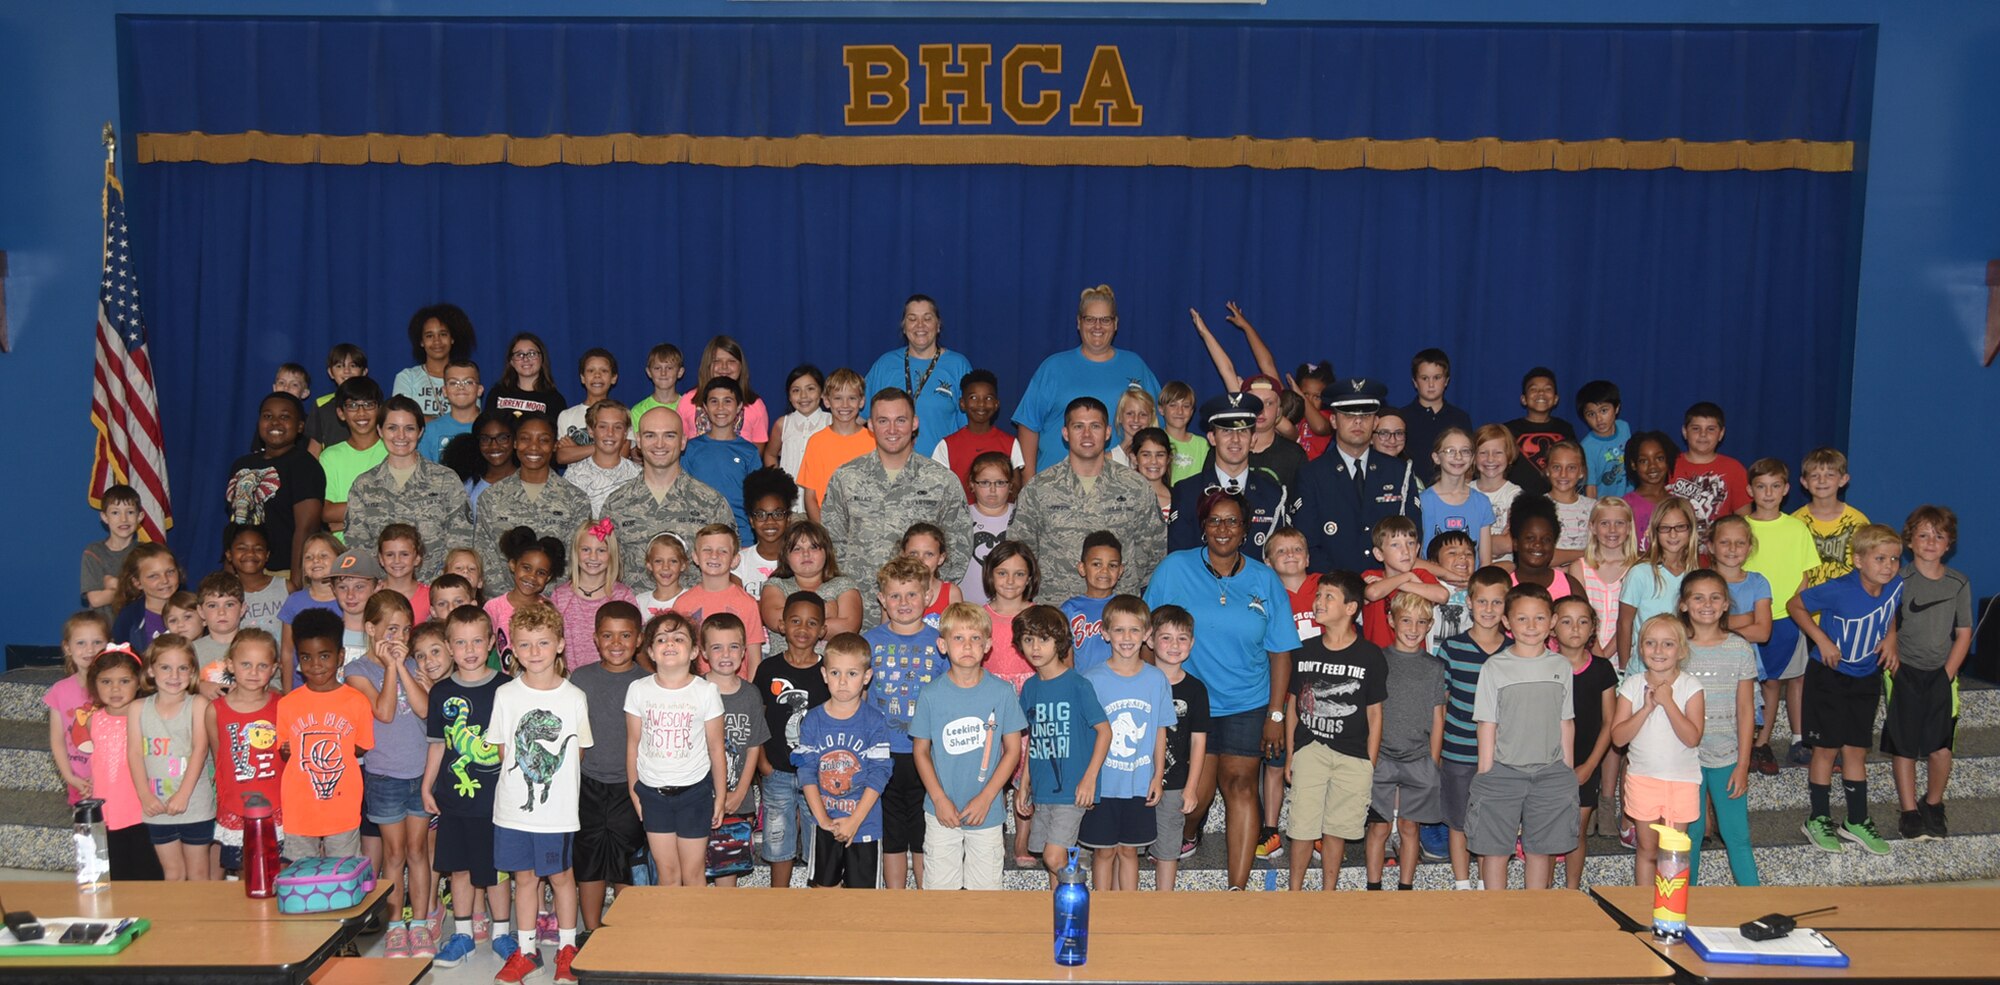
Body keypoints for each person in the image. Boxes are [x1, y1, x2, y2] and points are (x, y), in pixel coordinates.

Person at [1142, 490, 1300, 890]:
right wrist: (1152, 697)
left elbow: (1281, 652)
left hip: (1248, 701)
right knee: (1198, 793)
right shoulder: (1174, 569)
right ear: (1203, 528)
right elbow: (1147, 639)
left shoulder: (1265, 580)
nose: (1223, 529)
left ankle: (1237, 888)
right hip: (1189, 701)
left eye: (1232, 521)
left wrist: (1276, 715)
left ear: (1246, 530)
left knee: (1242, 784)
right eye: (1215, 521)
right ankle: (1189, 832)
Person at [488, 603, 589, 985]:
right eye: (526, 644)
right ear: (512, 647)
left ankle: (566, 948)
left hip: (557, 814)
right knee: (524, 879)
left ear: (560, 644)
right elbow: (502, 751)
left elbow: (577, 753)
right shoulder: (506, 695)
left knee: (562, 877)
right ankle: (527, 951)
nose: (534, 652)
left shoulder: (574, 697)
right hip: (512, 811)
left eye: (543, 643)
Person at [1788, 523, 1903, 856]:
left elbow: (1890, 609)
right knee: (1826, 750)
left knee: (1856, 749)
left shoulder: (1895, 585)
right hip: (1829, 677)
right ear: (1858, 560)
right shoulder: (1838, 589)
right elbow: (1796, 605)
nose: (1888, 566)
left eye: (1895, 559)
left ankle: (1855, 820)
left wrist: (1891, 637)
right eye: (1880, 558)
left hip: (1865, 677)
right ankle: (1818, 819)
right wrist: (1821, 639)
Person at [820, 387, 972, 625]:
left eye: (900, 420)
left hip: (921, 616)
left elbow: (958, 545)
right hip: (856, 612)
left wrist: (930, 596)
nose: (892, 430)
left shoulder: (941, 481)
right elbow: (830, 542)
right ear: (870, 425)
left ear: (914, 423)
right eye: (883, 421)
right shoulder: (846, 477)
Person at [910, 603, 1028, 890]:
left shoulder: (1001, 693)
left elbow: (1013, 750)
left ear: (988, 645)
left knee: (986, 893)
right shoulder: (930, 695)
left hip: (986, 812)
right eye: (958, 638)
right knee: (940, 891)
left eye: (975, 638)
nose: (967, 646)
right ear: (942, 645)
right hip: (942, 811)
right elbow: (921, 751)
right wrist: (938, 798)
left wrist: (987, 797)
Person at [1468, 584, 1577, 892]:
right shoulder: (1495, 667)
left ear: (1553, 621)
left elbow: (1565, 720)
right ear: (1507, 622)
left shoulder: (1560, 666)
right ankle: (1495, 914)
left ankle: (1535, 912)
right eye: (1523, 619)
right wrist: (1487, 771)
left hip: (1550, 772)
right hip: (1503, 771)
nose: (1531, 627)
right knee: (1495, 849)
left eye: (1540, 619)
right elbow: (1487, 723)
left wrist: (1566, 768)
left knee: (1541, 849)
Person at [345, 590, 434, 958]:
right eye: (392, 629)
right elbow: (382, 712)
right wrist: (389, 669)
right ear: (371, 629)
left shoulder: (415, 665)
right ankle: (396, 925)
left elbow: (425, 709)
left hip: (420, 772)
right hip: (384, 776)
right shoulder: (356, 671)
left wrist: (402, 667)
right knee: (394, 854)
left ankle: (423, 922)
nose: (400, 638)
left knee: (418, 852)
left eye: (406, 630)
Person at [1012, 396, 1167, 606]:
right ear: (1065, 433)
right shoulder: (1039, 488)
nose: (1087, 434)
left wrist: (1125, 582)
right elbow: (1021, 551)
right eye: (1078, 426)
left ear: (1108, 432)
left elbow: (1153, 550)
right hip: (1056, 610)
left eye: (1095, 426)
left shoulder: (1136, 487)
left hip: (1117, 615)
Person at [1283, 572, 1384, 891]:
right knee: (1301, 826)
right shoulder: (1304, 650)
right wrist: (1291, 753)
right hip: (1311, 747)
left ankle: (1329, 893)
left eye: (1329, 597)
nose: (1319, 602)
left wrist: (1370, 760)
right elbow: (1292, 706)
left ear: (1351, 607)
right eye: (1318, 596)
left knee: (1336, 828)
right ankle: (1294, 892)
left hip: (1353, 754)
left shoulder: (1370, 655)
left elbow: (1375, 712)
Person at [424, 606, 512, 968]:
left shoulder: (507, 688)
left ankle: (503, 934)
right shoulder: (440, 692)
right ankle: (462, 935)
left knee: (497, 870)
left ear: (491, 642)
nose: (470, 649)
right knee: (458, 868)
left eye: (478, 640)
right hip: (455, 799)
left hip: (498, 801)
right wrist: (427, 787)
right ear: (448, 646)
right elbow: (438, 743)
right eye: (460, 642)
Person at [863, 556, 947, 890]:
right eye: (895, 596)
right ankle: (896, 900)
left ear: (927, 597)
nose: (903, 603)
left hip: (927, 753)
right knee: (893, 833)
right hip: (883, 753)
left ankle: (925, 903)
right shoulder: (870, 642)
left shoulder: (940, 644)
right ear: (882, 599)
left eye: (912, 594)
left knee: (923, 832)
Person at [1889, 505, 1973, 841]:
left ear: (1949, 543)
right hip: (1904, 672)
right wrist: (1894, 666)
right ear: (1909, 541)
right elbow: (1888, 626)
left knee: (1940, 747)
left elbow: (1964, 632)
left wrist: (1947, 674)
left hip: (1941, 674)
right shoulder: (1898, 580)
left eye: (1939, 535)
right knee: (1904, 745)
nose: (1930, 541)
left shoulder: (1958, 582)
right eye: (1923, 534)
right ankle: (1909, 810)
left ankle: (1933, 803)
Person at [1014, 284, 1162, 473]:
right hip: (1055, 485)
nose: (1097, 326)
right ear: (1078, 322)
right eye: (1090, 319)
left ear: (1116, 323)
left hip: (1117, 486)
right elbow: (1028, 425)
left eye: (1105, 320)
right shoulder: (1053, 367)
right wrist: (1028, 482)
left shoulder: (1135, 365)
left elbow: (1158, 422)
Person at [1082, 595, 1175, 891]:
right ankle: (1102, 912)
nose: (1126, 638)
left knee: (1129, 851)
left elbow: (1161, 729)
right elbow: (1086, 734)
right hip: (1103, 784)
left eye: (1134, 630)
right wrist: (1087, 778)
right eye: (1119, 630)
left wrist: (1157, 776)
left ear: (1147, 635)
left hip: (1138, 782)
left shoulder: (1156, 679)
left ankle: (1128, 915)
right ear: (1105, 633)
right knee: (1104, 851)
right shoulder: (1091, 679)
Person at [1013, 604, 1109, 884]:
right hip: (1044, 790)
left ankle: (1081, 900)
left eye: (1044, 639)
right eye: (1028, 639)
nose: (1035, 647)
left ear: (1060, 642)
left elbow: (1105, 731)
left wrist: (1089, 779)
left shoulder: (1078, 685)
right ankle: (1061, 919)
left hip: (1072, 789)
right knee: (1051, 857)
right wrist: (1024, 783)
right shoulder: (1030, 688)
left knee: (1054, 859)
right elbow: (1034, 739)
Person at [1678, 571, 1761, 886]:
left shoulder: (1739, 648)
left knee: (1736, 835)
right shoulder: (1677, 649)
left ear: (1726, 604)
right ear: (1684, 605)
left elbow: (1745, 709)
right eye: (1698, 597)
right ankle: (1685, 908)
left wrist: (1743, 764)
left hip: (1727, 757)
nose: (1707, 604)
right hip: (1686, 761)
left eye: (1715, 597)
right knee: (1691, 835)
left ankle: (1755, 905)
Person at [567, 602, 647, 931]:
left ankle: (623, 931)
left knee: (626, 861)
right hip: (587, 784)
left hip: (632, 786)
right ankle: (592, 930)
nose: (616, 643)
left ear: (639, 639)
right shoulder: (580, 679)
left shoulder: (648, 682)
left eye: (625, 635)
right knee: (589, 861)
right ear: (595, 639)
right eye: (608, 635)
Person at [794, 633, 894, 889]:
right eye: (836, 673)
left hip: (865, 824)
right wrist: (823, 820)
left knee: (862, 900)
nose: (842, 682)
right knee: (824, 892)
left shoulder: (875, 721)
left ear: (867, 677)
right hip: (825, 823)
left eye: (852, 674)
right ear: (824, 674)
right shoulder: (813, 720)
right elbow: (806, 772)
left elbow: (880, 774)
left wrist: (854, 821)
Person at [601, 406, 735, 596]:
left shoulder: (710, 502)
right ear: (638, 441)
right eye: (650, 436)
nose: (659, 444)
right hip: (633, 616)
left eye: (669, 436)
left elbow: (728, 567)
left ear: (683, 442)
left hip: (693, 616)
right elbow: (604, 569)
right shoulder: (616, 504)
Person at [1612, 612, 1704, 888]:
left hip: (1682, 780)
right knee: (1647, 851)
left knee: (1673, 854)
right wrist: (1647, 707)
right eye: (1651, 643)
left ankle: (1671, 913)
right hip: (1643, 779)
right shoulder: (1631, 685)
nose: (1658, 650)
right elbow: (1618, 737)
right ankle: (1642, 910)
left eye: (1667, 644)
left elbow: (1692, 737)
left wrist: (1668, 702)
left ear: (1681, 650)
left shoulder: (1691, 687)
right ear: (1641, 649)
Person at [1295, 378, 1423, 575]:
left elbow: (1413, 535)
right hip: (1335, 591)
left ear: (1375, 422)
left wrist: (1385, 582)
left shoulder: (1398, 471)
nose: (1357, 421)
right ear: (1333, 420)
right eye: (1348, 415)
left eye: (1365, 414)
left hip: (1388, 587)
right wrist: (1344, 588)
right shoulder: (1312, 475)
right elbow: (1307, 544)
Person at [346, 396, 475, 582]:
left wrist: (438, 589)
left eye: (409, 428)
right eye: (392, 428)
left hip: (435, 593)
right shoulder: (364, 485)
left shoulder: (445, 480)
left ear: (420, 432)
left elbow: (460, 543)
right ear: (380, 431)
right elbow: (357, 548)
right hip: (382, 594)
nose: (401, 436)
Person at [276, 609, 372, 860]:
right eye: (306, 657)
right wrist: (287, 751)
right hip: (299, 809)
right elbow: (284, 750)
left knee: (343, 873)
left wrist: (332, 749)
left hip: (343, 807)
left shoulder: (356, 701)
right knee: (300, 875)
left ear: (340, 657)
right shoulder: (288, 704)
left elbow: (362, 746)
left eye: (324, 656)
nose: (315, 665)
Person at [1437, 565, 1511, 889]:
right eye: (1482, 602)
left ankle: (1485, 882)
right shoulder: (1451, 649)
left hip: (1501, 755)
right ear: (1469, 602)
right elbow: (1441, 703)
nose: (1489, 610)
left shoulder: (1514, 651)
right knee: (1458, 820)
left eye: (1497, 603)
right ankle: (1462, 883)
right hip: (1457, 750)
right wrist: (1437, 750)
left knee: (1490, 822)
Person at [1743, 458, 1818, 774]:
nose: (1768, 493)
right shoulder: (1743, 528)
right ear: (1750, 490)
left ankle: (1797, 739)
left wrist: (1795, 610)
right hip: (1749, 618)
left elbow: (1804, 575)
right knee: (1763, 682)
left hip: (1788, 618)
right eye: (1761, 486)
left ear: (1786, 490)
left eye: (1775, 486)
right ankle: (1757, 743)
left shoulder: (1797, 528)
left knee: (1792, 678)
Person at [1365, 594, 1444, 892]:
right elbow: (1370, 710)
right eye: (1406, 620)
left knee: (1411, 827)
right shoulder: (1378, 660)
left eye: (1421, 622)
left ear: (1430, 625)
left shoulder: (1434, 667)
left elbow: (1438, 716)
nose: (1413, 628)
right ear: (1391, 621)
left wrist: (1433, 762)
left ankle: (1405, 888)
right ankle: (1374, 887)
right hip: (1382, 757)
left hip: (1419, 758)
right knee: (1379, 826)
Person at [754, 592, 832, 888]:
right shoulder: (768, 669)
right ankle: (778, 901)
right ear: (782, 625)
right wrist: (763, 762)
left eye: (812, 623)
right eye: (795, 621)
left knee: (817, 838)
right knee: (778, 840)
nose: (803, 628)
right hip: (778, 773)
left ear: (822, 631)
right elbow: (758, 719)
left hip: (818, 775)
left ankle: (816, 904)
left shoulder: (827, 672)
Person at [1188, 304, 1307, 486]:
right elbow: (1226, 369)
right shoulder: (1224, 450)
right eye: (1255, 403)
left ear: (1279, 410)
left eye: (1269, 404)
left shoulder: (1292, 451)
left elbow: (1267, 364)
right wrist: (1204, 332)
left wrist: (1246, 326)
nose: (1261, 410)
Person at [472, 415, 593, 594]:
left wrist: (544, 601)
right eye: (525, 439)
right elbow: (484, 556)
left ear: (554, 445)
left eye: (543, 440)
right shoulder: (491, 497)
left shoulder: (575, 499)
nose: (534, 447)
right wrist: (509, 601)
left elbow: (574, 560)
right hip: (501, 606)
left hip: (553, 606)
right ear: (514, 443)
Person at [128, 634, 215, 880]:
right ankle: (176, 919)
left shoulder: (198, 704)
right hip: (157, 806)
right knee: (173, 873)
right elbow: (134, 754)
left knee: (198, 874)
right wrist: (144, 796)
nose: (174, 676)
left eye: (182, 668)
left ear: (192, 672)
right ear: (151, 670)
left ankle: (199, 919)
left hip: (195, 805)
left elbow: (200, 749)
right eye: (165, 667)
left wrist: (183, 794)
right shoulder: (138, 709)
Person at [1167, 392, 1289, 560]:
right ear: (1212, 438)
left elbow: (1278, 559)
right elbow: (1179, 558)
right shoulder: (1188, 491)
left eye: (1243, 431)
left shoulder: (1274, 495)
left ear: (1253, 439)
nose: (1235, 439)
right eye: (1226, 431)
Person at [698, 613, 769, 886]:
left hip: (737, 801)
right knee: (695, 870)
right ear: (703, 651)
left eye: (734, 646)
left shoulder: (750, 694)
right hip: (699, 798)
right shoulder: (695, 690)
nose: (726, 654)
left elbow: (754, 747)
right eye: (717, 647)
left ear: (744, 651)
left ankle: (724, 927)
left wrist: (740, 792)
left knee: (727, 870)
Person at [1551, 596, 1616, 890]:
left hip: (1586, 764)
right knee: (1548, 831)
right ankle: (1544, 892)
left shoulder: (1602, 670)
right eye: (1566, 621)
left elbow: (1609, 722)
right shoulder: (1544, 665)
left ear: (1593, 629)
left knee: (1575, 830)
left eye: (1583, 621)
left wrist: (1590, 765)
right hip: (1548, 764)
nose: (1575, 628)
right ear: (1553, 627)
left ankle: (1572, 891)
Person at [207, 629, 284, 875]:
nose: (254, 672)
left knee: (279, 873)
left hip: (279, 808)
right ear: (230, 664)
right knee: (246, 875)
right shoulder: (215, 710)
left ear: (274, 668)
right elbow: (220, 757)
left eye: (262, 665)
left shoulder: (283, 706)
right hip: (236, 807)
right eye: (246, 664)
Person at [228, 392, 325, 586]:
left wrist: (294, 585)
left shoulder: (304, 465)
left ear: (299, 426)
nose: (275, 422)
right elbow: (236, 525)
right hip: (246, 570)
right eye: (268, 416)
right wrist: (230, 575)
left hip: (284, 573)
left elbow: (306, 529)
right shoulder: (242, 465)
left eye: (285, 417)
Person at [85, 646, 163, 881]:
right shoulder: (92, 721)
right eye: (106, 681)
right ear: (94, 684)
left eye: (124, 681)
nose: (115, 689)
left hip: (142, 810)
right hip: (107, 811)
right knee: (116, 874)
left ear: (139, 682)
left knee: (147, 871)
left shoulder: (146, 715)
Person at [1146, 605, 1209, 890]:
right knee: (1130, 847)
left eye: (1182, 638)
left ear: (1192, 643)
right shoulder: (1139, 681)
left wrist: (1192, 786)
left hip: (1174, 783)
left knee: (1169, 848)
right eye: (1166, 637)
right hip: (1134, 781)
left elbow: (1199, 740)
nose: (1174, 645)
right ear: (1149, 639)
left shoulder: (1195, 689)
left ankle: (1164, 905)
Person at [865, 293, 975, 443]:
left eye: (927, 318)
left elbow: (970, 428)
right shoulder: (885, 365)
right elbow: (858, 418)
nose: (920, 325)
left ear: (938, 325)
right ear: (904, 327)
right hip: (892, 464)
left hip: (942, 464)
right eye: (912, 319)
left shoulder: (958, 365)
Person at [1618, 497, 1700, 674]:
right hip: (1643, 670)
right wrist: (1623, 671)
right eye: (1665, 528)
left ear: (1691, 529)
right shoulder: (1640, 573)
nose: (1673, 534)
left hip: (1686, 671)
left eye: (1680, 527)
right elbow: (1625, 623)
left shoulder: (1697, 575)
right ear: (1655, 531)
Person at [671, 525, 769, 670]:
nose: (714, 555)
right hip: (696, 688)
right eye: (707, 550)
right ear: (695, 557)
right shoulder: (682, 603)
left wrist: (751, 692)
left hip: (735, 689)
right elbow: (677, 653)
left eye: (723, 551)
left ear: (735, 559)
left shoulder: (747, 603)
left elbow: (754, 659)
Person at [550, 519, 637, 671]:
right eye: (586, 549)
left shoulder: (624, 596)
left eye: (601, 550)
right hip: (569, 681)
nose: (593, 557)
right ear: (576, 552)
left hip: (612, 679)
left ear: (612, 555)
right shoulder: (560, 596)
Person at [757, 520, 865, 640]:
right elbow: (774, 619)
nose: (806, 554)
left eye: (813, 547)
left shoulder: (844, 585)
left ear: (827, 552)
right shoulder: (775, 585)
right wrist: (827, 610)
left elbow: (848, 628)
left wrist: (795, 620)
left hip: (832, 659)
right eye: (797, 549)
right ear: (785, 556)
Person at [681, 377, 763, 533]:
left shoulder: (750, 452)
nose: (720, 408)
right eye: (714, 401)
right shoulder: (690, 449)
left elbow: (756, 500)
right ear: (704, 407)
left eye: (727, 401)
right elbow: (682, 495)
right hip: (698, 532)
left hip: (740, 533)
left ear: (739, 406)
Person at [928, 369, 1023, 500]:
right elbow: (936, 491)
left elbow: (1015, 489)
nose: (981, 404)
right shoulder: (946, 445)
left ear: (996, 404)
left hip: (1000, 519)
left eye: (988, 398)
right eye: (973, 397)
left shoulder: (1010, 443)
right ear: (962, 403)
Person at [795, 368, 875, 522]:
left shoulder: (873, 441)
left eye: (852, 398)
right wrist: (823, 533)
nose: (845, 405)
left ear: (862, 401)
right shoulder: (816, 442)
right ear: (826, 401)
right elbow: (810, 496)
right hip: (827, 529)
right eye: (838, 398)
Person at [48, 611, 111, 807]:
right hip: (79, 782)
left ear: (109, 644)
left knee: (115, 835)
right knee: (85, 835)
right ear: (67, 647)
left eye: (97, 642)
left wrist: (102, 777)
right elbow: (57, 740)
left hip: (113, 780)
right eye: (81, 643)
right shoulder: (60, 691)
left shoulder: (116, 689)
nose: (89, 650)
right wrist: (69, 777)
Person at [1667, 402, 1750, 548]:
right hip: (1674, 554)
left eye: (1710, 429)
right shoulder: (1668, 465)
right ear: (1685, 432)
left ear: (1721, 433)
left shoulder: (1734, 469)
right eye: (1696, 428)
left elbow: (1744, 521)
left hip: (1718, 559)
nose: (1703, 435)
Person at [1361, 516, 1449, 647]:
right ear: (1379, 554)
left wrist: (1404, 582)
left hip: (1414, 660)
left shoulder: (1421, 574)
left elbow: (1442, 596)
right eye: (1395, 545)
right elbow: (1372, 593)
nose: (1406, 551)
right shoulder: (1371, 576)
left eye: (1411, 543)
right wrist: (1407, 577)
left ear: (1418, 548)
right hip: (1378, 659)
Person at [319, 378, 388, 542]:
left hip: (388, 551)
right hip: (343, 551)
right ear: (341, 413)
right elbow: (326, 512)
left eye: (369, 404)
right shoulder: (330, 456)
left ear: (379, 409)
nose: (361, 412)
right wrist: (379, 506)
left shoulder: (393, 450)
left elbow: (403, 506)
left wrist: (345, 521)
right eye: (352, 406)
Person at [1568, 497, 1637, 657]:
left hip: (1627, 656)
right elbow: (1581, 615)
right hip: (1588, 655)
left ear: (1628, 528)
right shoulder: (1580, 568)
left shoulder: (1637, 569)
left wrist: (1605, 656)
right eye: (1604, 523)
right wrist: (1598, 657)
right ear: (1592, 527)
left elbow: (1630, 620)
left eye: (1619, 523)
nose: (1612, 530)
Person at [676, 336, 770, 449]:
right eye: (716, 361)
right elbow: (678, 443)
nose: (724, 367)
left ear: (741, 366)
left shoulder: (755, 404)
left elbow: (756, 452)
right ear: (707, 365)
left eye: (731, 361)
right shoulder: (688, 400)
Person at [1796, 447, 1870, 586]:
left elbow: (1867, 564)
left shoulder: (1858, 522)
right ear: (1804, 482)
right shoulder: (1796, 521)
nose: (1822, 481)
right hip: (1806, 601)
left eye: (1830, 475)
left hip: (1847, 601)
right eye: (1814, 476)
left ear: (1843, 479)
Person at [485, 528, 561, 660]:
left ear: (548, 578)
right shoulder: (493, 607)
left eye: (541, 573)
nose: (532, 577)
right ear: (513, 565)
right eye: (526, 568)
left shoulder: (550, 608)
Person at [393, 304, 475, 418]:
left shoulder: (466, 376)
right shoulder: (407, 378)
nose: (437, 341)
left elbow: (471, 418)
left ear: (452, 338)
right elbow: (401, 419)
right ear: (421, 342)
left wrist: (423, 419)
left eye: (443, 334)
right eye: (429, 336)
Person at [1399, 348, 1474, 472]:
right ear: (1415, 382)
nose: (1431, 384)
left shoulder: (1460, 418)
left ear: (1446, 381)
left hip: (1451, 488)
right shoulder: (1402, 418)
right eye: (1424, 378)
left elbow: (1468, 458)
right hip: (1411, 488)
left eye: (1437, 377)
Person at [562, 400, 640, 516]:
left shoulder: (638, 475)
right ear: (591, 431)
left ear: (625, 433)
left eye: (617, 427)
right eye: (602, 426)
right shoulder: (574, 475)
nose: (610, 433)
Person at [979, 539, 1038, 693]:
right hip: (990, 695)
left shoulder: (1042, 617)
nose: (1010, 581)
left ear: (1029, 579)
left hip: (1031, 695)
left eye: (1019, 574)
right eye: (1002, 573)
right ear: (990, 574)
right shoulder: (978, 617)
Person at [1060, 532, 1122, 675]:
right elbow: (1065, 659)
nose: (1104, 571)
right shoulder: (1069, 609)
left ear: (1120, 571)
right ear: (1082, 568)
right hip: (1082, 686)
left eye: (1112, 565)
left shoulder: (1126, 608)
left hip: (1119, 687)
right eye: (1096, 564)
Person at [736, 468, 797, 609]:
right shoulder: (739, 561)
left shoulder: (799, 559)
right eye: (761, 514)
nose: (770, 521)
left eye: (778, 514)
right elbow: (739, 607)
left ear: (788, 519)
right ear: (751, 520)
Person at [960, 452, 1016, 605]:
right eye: (984, 483)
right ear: (972, 484)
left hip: (1011, 607)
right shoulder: (961, 517)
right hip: (968, 606)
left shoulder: (1022, 516)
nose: (992, 490)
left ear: (1011, 485)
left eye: (1000, 483)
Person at [761, 364, 828, 489]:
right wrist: (778, 482)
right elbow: (770, 454)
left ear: (822, 392)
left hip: (822, 500)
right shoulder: (783, 424)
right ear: (789, 396)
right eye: (796, 390)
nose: (803, 396)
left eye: (810, 389)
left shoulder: (831, 422)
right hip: (790, 502)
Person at [81, 483, 141, 620]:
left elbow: (149, 591)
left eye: (130, 512)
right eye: (115, 512)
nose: (123, 519)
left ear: (140, 516)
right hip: (103, 630)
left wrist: (114, 586)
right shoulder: (93, 552)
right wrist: (129, 587)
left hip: (136, 627)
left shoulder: (145, 553)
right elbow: (95, 600)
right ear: (104, 517)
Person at [1503, 367, 1577, 475]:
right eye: (1533, 389)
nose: (1541, 393)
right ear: (1523, 399)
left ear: (1556, 399)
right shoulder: (1508, 430)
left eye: (1548, 389)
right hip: (1517, 492)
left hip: (1556, 491)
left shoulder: (1565, 428)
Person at [554, 349, 620, 467]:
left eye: (604, 371)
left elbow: (622, 454)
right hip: (575, 484)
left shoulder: (621, 414)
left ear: (613, 378)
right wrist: (607, 447)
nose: (597, 375)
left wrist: (576, 449)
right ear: (583, 378)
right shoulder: (567, 415)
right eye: (591, 370)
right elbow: (562, 456)